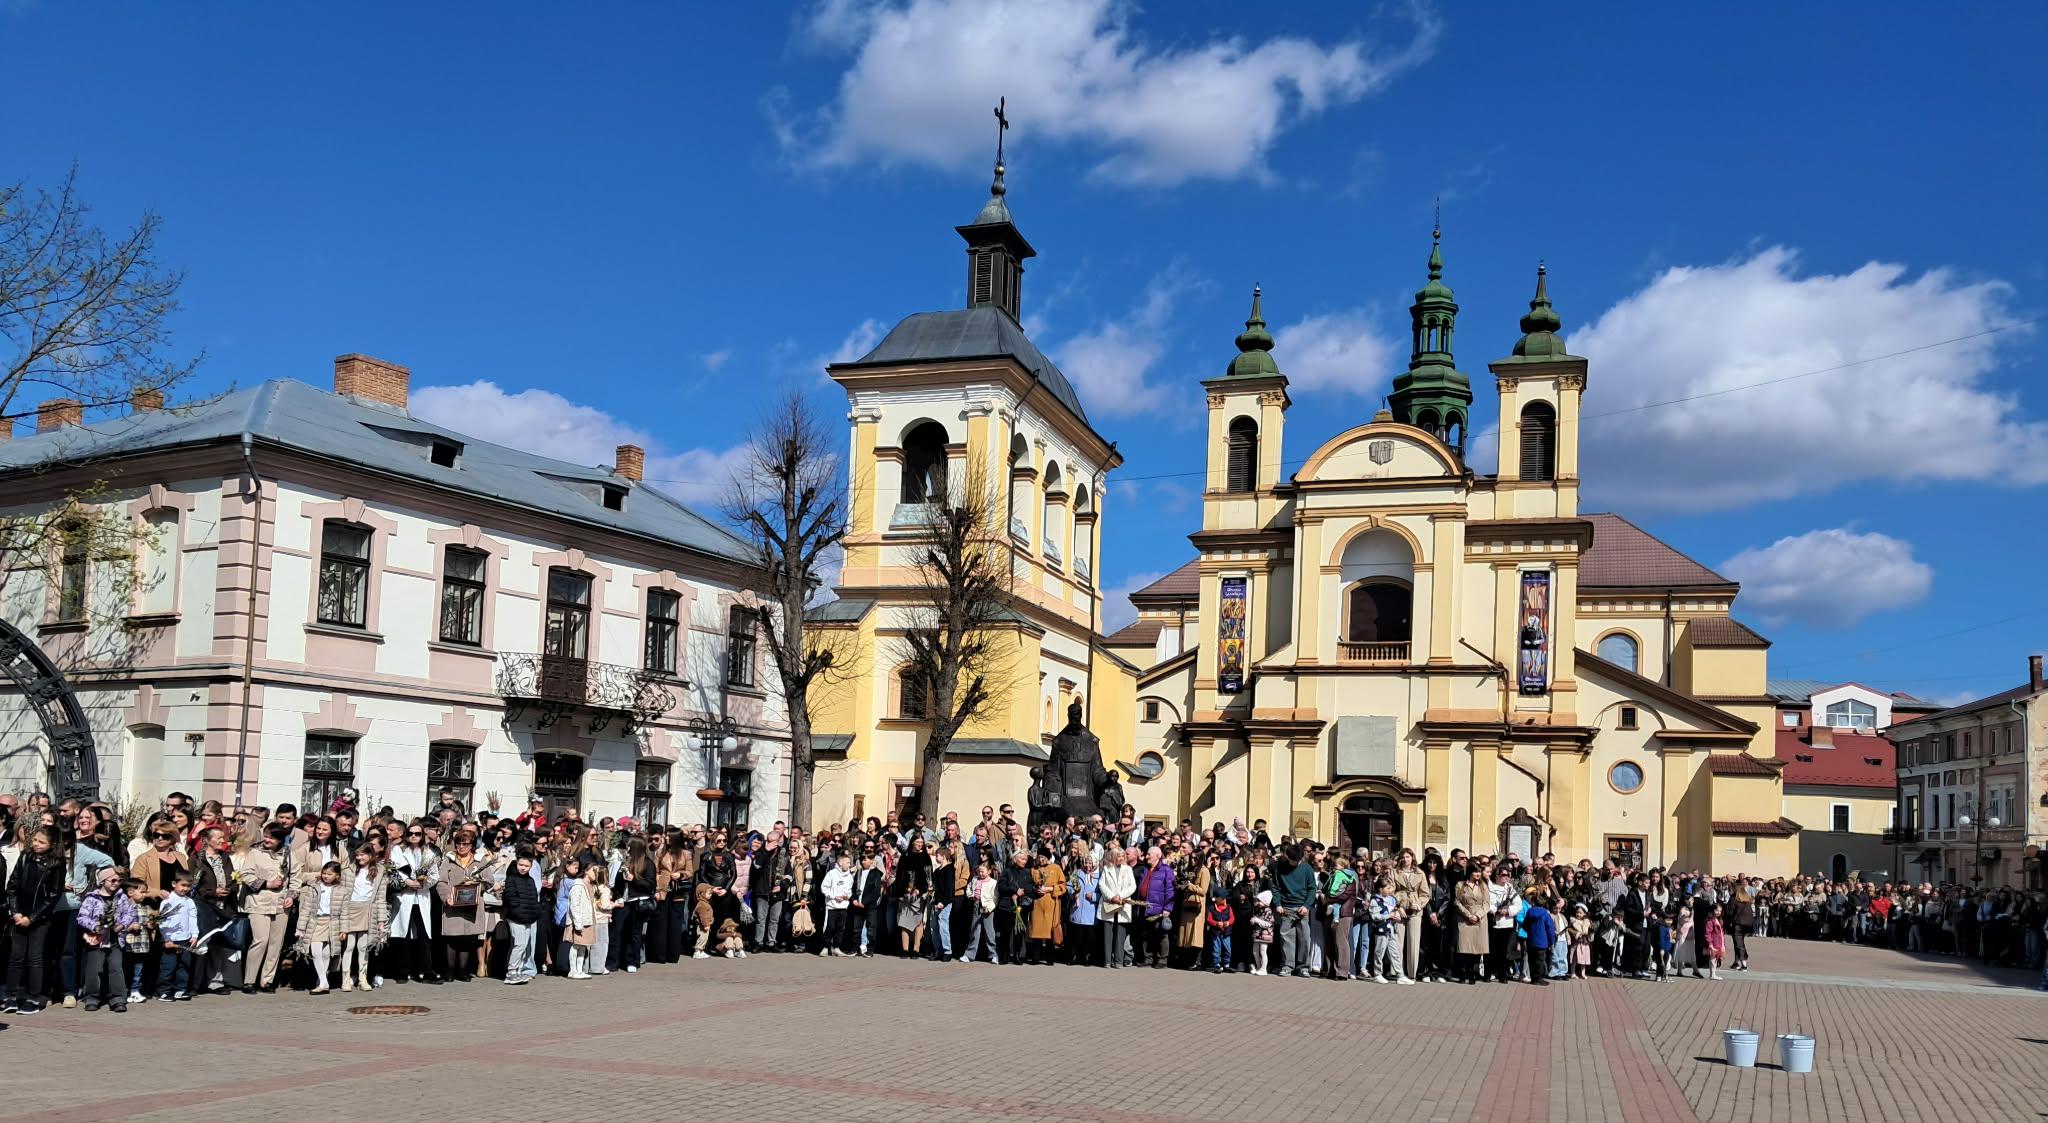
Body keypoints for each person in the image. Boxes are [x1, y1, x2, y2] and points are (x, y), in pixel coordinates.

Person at [76, 865, 137, 1012]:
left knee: (116, 968)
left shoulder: (122, 897)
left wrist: (121, 925)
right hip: (97, 940)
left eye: (119, 880)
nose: (116, 883)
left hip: (116, 939)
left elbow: (130, 914)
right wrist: (95, 927)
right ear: (103, 881)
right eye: (113, 880)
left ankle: (117, 998)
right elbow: (82, 917)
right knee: (94, 969)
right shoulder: (92, 898)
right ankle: (92, 997)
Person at [155, 873, 199, 1001]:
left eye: (188, 886)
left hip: (185, 939)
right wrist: (166, 938)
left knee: (184, 965)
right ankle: (163, 991)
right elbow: (162, 922)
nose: (185, 888)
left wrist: (194, 935)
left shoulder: (189, 901)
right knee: (168, 966)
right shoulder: (167, 901)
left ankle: (180, 989)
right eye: (183, 885)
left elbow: (192, 918)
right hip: (171, 940)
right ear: (174, 884)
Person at [1097, 847, 1135, 969]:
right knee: (1108, 933)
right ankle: (1107, 960)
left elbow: (1132, 886)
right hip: (1109, 903)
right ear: (1113, 857)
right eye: (1118, 856)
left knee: (1121, 933)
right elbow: (1102, 884)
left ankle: (1119, 960)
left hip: (1123, 904)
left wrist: (1121, 896)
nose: (1121, 858)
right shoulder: (1107, 869)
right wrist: (1112, 896)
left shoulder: (1128, 869)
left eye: (1123, 856)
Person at [958, 859, 1000, 965]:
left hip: (987, 909)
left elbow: (995, 898)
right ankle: (969, 955)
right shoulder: (975, 879)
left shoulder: (993, 883)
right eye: (979, 872)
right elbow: (968, 888)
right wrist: (970, 895)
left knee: (989, 933)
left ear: (989, 871)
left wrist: (989, 908)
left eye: (983, 872)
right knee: (974, 931)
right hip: (976, 906)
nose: (980, 874)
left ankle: (994, 955)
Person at [1524, 892, 1557, 987]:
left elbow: (1525, 924)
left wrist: (1529, 932)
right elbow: (1550, 928)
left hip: (1531, 940)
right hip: (1542, 941)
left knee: (1531, 959)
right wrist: (1551, 941)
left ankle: (1534, 978)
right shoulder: (1545, 914)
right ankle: (1538, 978)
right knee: (1540, 961)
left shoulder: (1529, 912)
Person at [1204, 890, 1235, 974]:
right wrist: (1216, 923)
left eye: (1225, 898)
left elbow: (1232, 918)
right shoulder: (1211, 908)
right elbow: (1208, 920)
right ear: (1216, 899)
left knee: (1228, 949)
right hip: (1216, 932)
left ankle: (1226, 965)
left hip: (1226, 933)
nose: (1225, 900)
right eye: (1222, 898)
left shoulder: (1228, 907)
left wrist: (1228, 922)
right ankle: (1216, 965)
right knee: (1216, 949)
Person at [1249, 890, 1276, 976]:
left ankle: (1264, 969)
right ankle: (1258, 967)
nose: (1257, 902)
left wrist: (1257, 920)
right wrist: (1254, 920)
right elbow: (1258, 920)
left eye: (1259, 901)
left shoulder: (1268, 911)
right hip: (1258, 934)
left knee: (1263, 951)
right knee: (1255, 951)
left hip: (1265, 935)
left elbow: (1268, 924)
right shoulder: (1259, 910)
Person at [1704, 903, 1728, 981]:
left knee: (1715, 959)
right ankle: (1712, 974)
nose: (1718, 912)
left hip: (1718, 943)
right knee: (1713, 959)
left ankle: (1713, 973)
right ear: (1712, 910)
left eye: (1720, 911)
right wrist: (1710, 943)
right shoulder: (1710, 921)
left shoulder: (1718, 920)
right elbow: (1708, 933)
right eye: (1716, 910)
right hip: (1713, 943)